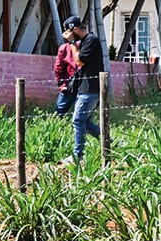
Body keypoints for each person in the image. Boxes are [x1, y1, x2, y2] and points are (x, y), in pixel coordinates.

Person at [61, 16, 102, 164]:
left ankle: (77, 156)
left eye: (70, 32)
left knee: (78, 121)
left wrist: (71, 42)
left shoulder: (91, 40)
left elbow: (79, 61)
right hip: (85, 88)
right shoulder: (85, 41)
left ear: (75, 29)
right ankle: (110, 143)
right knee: (86, 122)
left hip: (90, 89)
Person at [53, 27, 78, 117]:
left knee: (59, 113)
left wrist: (62, 84)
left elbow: (58, 68)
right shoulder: (65, 48)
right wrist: (62, 84)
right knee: (82, 115)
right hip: (71, 84)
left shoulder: (65, 48)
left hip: (72, 84)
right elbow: (58, 68)